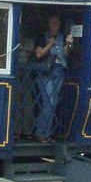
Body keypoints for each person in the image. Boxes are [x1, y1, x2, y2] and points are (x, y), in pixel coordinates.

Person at [33, 14, 72, 142]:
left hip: (59, 71)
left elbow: (65, 54)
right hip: (45, 72)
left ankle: (47, 133)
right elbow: (39, 54)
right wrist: (49, 45)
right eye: (53, 23)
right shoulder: (42, 37)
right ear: (48, 24)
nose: (56, 26)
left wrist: (67, 44)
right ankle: (40, 132)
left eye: (58, 23)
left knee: (54, 102)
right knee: (48, 102)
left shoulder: (62, 37)